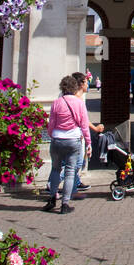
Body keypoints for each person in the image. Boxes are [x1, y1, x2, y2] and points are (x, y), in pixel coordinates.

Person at [44, 73, 103, 214]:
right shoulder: (79, 103)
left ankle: (52, 198)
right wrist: (89, 143)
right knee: (70, 172)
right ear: (75, 87)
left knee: (56, 169)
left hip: (57, 139)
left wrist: (53, 136)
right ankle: (65, 204)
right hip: (73, 140)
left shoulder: (56, 102)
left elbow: (51, 124)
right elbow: (83, 126)